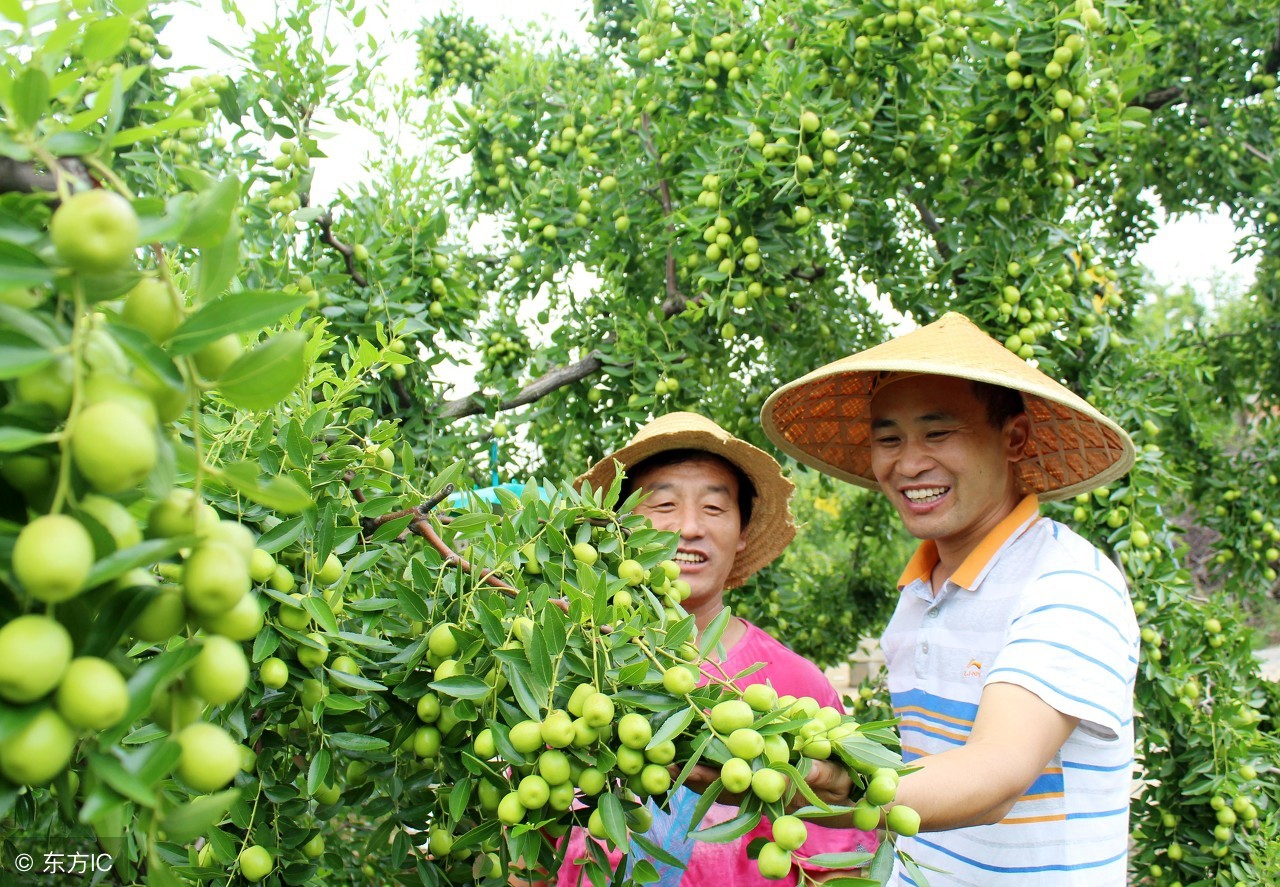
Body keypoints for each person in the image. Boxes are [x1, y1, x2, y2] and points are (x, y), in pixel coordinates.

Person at [758, 312, 1140, 886]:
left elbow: (994, 777)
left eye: (938, 434)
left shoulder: (1068, 583)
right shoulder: (917, 592)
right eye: (888, 439)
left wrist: (842, 781)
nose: (908, 464)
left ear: (1014, 438)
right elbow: (924, 769)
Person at [554, 411, 877, 887]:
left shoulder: (797, 686)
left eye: (714, 508)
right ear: (620, 526)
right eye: (662, 505)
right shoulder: (567, 664)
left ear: (743, 531)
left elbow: (837, 854)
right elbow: (530, 845)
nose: (688, 528)